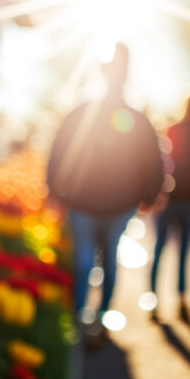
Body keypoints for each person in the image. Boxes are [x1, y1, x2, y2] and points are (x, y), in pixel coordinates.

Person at [47, 44, 163, 336]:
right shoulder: (131, 118)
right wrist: (149, 195)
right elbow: (152, 161)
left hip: (96, 203)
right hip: (101, 203)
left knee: (90, 261)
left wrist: (56, 190)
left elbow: (58, 153)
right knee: (102, 261)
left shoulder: (94, 115)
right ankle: (91, 319)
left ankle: (84, 320)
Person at [149, 94, 190, 322]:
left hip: (174, 199)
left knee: (161, 249)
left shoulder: (174, 130)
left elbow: (164, 165)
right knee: (182, 252)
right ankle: (180, 299)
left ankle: (154, 299)